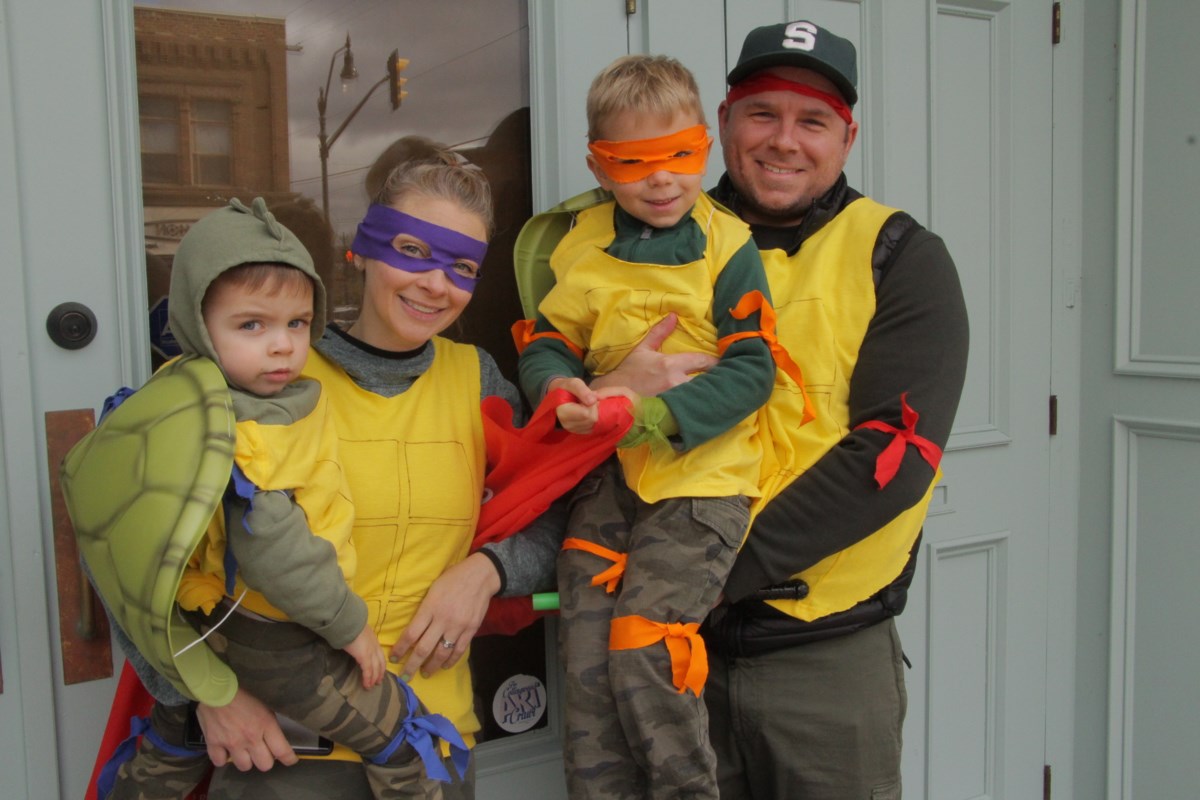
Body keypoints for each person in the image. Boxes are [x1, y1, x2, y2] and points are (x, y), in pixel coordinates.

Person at [518, 20, 969, 800]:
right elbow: (567, 404)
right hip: (661, 648)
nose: (784, 140)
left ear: (847, 136)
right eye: (763, 113)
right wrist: (614, 386)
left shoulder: (899, 255)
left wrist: (704, 570)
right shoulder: (614, 238)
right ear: (722, 123)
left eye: (813, 120)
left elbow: (893, 462)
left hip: (819, 662)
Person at [103, 142, 561, 800]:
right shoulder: (252, 378)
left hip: (434, 749)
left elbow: (556, 520)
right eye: (412, 252)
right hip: (279, 755)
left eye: (462, 267)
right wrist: (205, 694)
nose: (436, 284)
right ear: (360, 249)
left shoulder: (479, 382)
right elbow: (121, 552)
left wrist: (485, 572)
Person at [515, 55, 784, 799]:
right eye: (635, 163)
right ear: (602, 168)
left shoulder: (728, 245)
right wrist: (557, 382)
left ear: (703, 147)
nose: (662, 180)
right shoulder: (580, 244)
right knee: (587, 654)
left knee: (645, 646)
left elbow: (753, 368)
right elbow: (546, 341)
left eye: (681, 156)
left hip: (698, 483)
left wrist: (656, 417)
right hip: (603, 482)